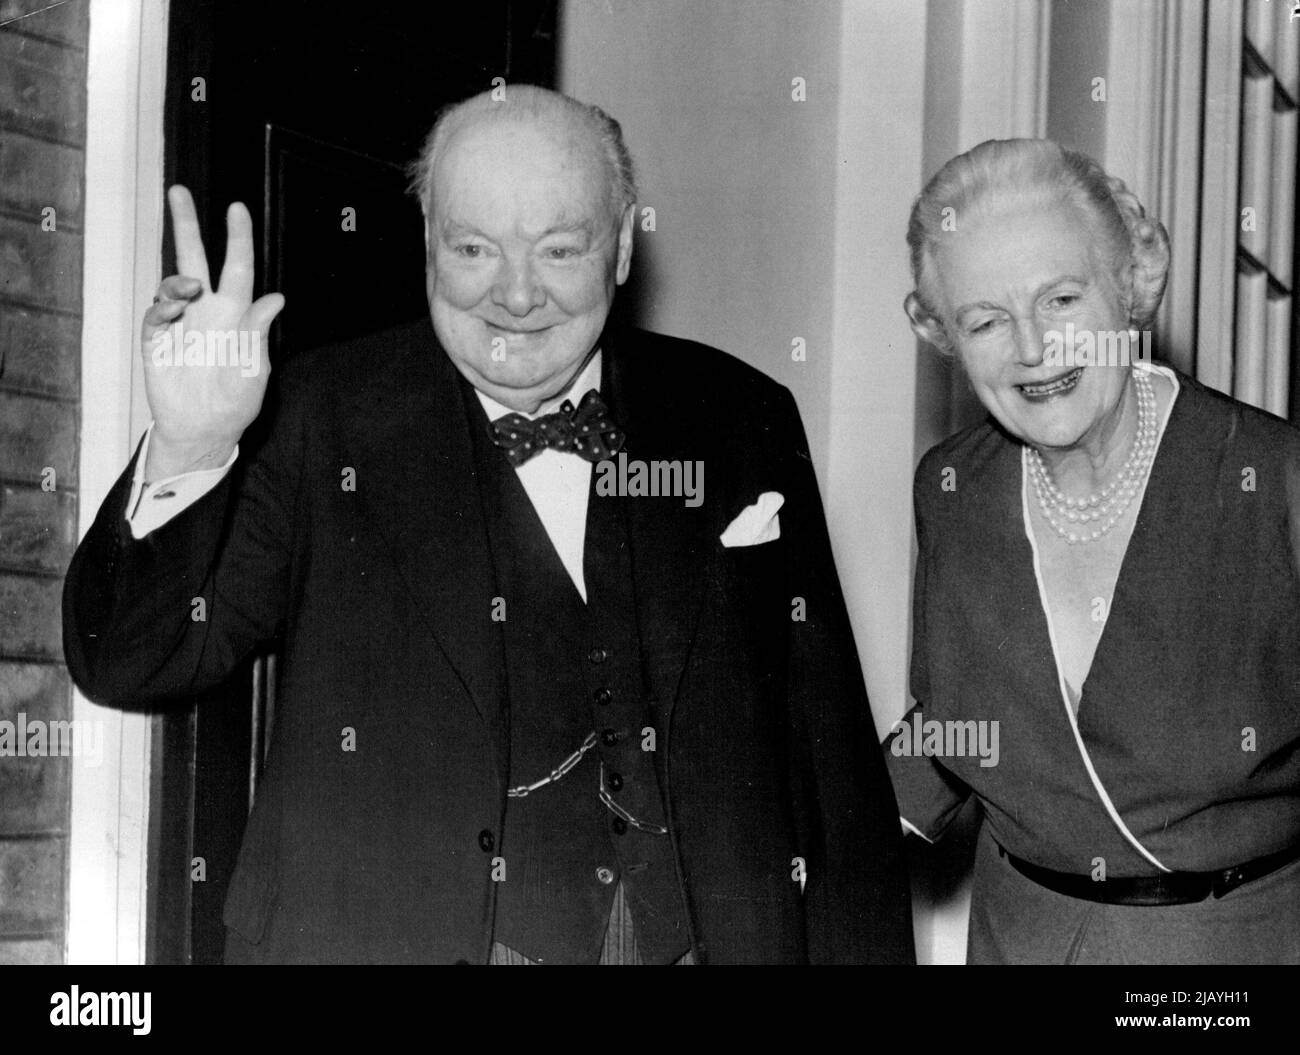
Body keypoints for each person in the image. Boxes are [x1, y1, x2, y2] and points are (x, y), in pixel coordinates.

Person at [63, 85, 913, 964]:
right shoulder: (320, 418)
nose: (515, 294)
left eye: (558, 248)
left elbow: (834, 765)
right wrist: (191, 445)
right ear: (427, 240)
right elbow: (129, 656)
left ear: (620, 248)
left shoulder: (741, 417)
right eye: (473, 248)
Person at [890, 137, 1300, 964]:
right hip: (1017, 933)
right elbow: (960, 725)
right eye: (986, 320)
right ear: (944, 336)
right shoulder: (953, 490)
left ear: (1132, 284)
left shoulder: (1273, 482)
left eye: (1062, 298)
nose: (1033, 348)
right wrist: (806, 817)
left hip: (1223, 950)